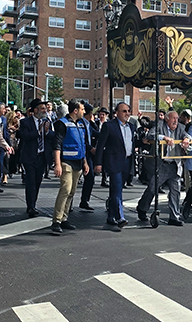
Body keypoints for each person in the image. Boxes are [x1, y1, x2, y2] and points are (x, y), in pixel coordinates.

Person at [136, 110, 191, 226]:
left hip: (175, 164)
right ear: (167, 119)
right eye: (173, 118)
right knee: (152, 188)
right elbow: (150, 135)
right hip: (161, 164)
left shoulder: (180, 127)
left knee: (175, 191)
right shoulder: (160, 125)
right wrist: (164, 137)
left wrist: (187, 139)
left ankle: (174, 217)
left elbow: (186, 135)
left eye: (177, 118)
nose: (175, 120)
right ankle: (142, 207)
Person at [51, 100, 90, 234]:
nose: (84, 112)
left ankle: (64, 218)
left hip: (78, 162)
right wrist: (57, 164)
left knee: (72, 192)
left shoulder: (80, 124)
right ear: (75, 111)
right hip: (66, 161)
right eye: (82, 109)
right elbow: (57, 145)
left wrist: (85, 162)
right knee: (65, 190)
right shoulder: (62, 124)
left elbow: (82, 145)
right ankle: (56, 220)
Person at [94, 102, 135, 230]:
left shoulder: (132, 126)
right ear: (116, 113)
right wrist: (98, 163)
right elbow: (100, 146)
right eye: (124, 111)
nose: (127, 113)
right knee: (117, 188)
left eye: (128, 111)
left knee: (116, 189)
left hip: (127, 161)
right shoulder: (109, 126)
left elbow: (132, 143)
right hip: (113, 161)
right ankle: (120, 216)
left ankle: (111, 216)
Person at [16, 98, 50, 217]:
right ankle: (31, 206)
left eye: (45, 109)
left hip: (42, 156)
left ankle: (33, 203)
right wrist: (39, 131)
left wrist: (46, 132)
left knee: (37, 181)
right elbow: (24, 136)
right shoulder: (25, 122)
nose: (44, 111)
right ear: (35, 110)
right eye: (42, 108)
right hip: (29, 156)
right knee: (30, 182)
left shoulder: (47, 122)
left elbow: (52, 136)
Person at [78, 103, 97, 211]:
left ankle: (84, 200)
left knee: (90, 178)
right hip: (80, 154)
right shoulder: (80, 123)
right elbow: (82, 140)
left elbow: (96, 133)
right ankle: (69, 204)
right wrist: (91, 148)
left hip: (88, 156)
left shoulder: (89, 124)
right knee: (74, 180)